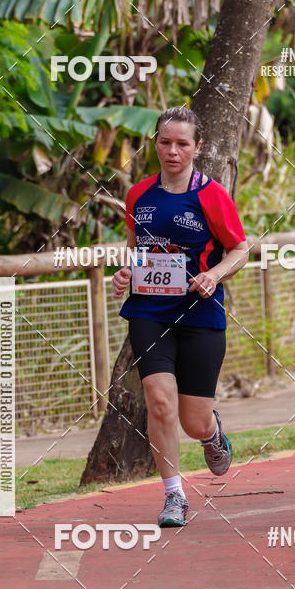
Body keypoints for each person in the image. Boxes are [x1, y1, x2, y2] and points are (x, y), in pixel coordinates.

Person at [112, 106, 249, 527]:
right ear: (155, 143)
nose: (173, 151)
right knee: (158, 400)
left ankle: (211, 434)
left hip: (200, 314)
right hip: (150, 311)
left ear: (196, 148)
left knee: (192, 421)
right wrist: (126, 272)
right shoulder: (138, 195)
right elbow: (138, 251)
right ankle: (174, 496)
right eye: (165, 142)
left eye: (182, 144)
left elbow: (241, 248)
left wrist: (213, 274)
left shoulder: (210, 195)